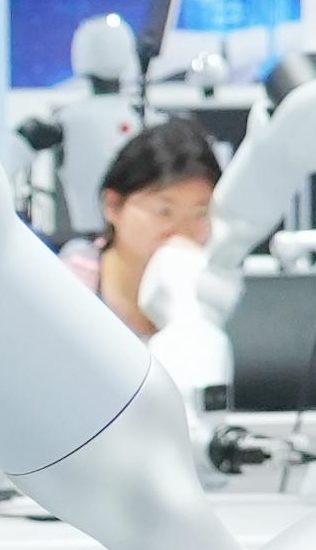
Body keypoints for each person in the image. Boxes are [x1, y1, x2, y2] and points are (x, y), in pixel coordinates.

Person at [88, 118, 232, 390]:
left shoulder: (219, 292)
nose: (182, 232)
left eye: (200, 213)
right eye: (163, 212)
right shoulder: (65, 289)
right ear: (113, 206)